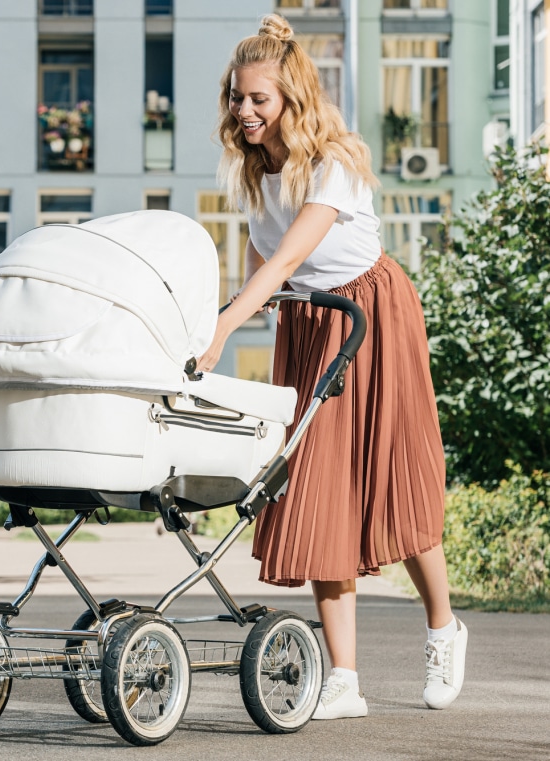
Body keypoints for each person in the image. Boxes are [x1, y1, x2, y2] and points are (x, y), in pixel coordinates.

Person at [195, 14, 467, 720]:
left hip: (372, 316)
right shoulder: (254, 173)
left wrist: (226, 326)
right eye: (236, 97)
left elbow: (292, 256)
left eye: (259, 98)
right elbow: (265, 258)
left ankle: (443, 625)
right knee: (318, 493)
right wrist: (225, 311)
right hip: (310, 325)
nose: (245, 111)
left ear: (291, 96)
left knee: (393, 480)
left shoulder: (333, 161)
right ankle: (344, 677)